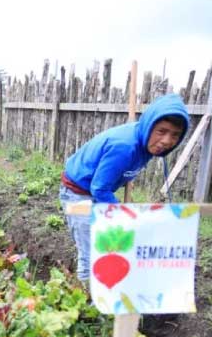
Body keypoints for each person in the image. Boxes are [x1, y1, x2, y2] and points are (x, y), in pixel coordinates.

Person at [60, 94, 189, 282]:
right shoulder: (125, 147)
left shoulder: (147, 144)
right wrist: (122, 212)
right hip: (78, 194)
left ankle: (111, 285)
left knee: (110, 245)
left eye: (175, 135)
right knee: (91, 252)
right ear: (149, 126)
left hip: (97, 190)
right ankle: (85, 294)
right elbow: (100, 189)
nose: (167, 141)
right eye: (162, 131)